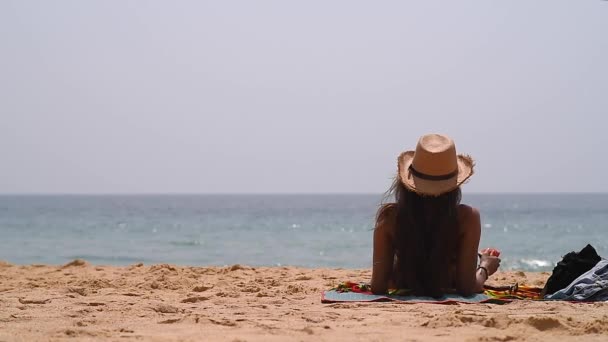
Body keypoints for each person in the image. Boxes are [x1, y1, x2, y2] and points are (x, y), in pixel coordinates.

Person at [371, 133, 501, 297]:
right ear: (454, 185)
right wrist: (485, 267)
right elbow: (467, 288)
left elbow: (378, 286)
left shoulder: (389, 217)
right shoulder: (467, 217)